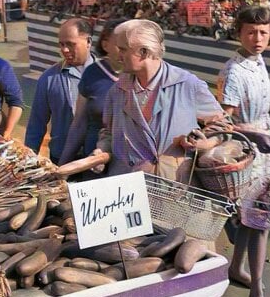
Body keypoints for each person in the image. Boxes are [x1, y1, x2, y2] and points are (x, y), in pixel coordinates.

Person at [94, 19, 228, 179]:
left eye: (123, 50)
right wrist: (101, 151)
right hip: (128, 188)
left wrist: (204, 144)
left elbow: (223, 127)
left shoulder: (187, 85)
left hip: (173, 187)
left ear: (143, 52)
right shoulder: (117, 91)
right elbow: (109, 132)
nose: (118, 56)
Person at [217, 5, 270, 297]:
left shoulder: (259, 63)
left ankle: (237, 268)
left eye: (264, 32)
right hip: (247, 156)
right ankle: (257, 291)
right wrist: (256, 133)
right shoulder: (233, 71)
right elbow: (222, 124)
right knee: (260, 224)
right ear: (239, 33)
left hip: (266, 155)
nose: (258, 38)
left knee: (254, 221)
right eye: (251, 32)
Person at [25, 18, 95, 164]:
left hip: (97, 161)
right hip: (62, 159)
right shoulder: (49, 79)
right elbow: (36, 123)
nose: (64, 50)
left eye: (70, 44)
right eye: (61, 44)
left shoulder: (108, 76)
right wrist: (28, 160)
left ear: (88, 42)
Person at [59, 19, 125, 164]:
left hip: (126, 163)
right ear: (105, 44)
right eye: (120, 45)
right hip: (92, 160)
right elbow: (79, 124)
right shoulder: (92, 74)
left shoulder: (140, 77)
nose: (125, 50)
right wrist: (62, 166)